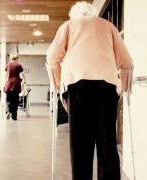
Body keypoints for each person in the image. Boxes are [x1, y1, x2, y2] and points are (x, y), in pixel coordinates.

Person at [46, 1, 134, 180]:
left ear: (75, 15)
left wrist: (57, 84)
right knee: (107, 142)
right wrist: (124, 88)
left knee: (80, 144)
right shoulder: (108, 27)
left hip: (77, 87)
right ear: (94, 13)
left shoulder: (68, 26)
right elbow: (127, 63)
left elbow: (52, 58)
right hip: (106, 87)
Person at [3, 52, 25, 120]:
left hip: (8, 84)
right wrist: (24, 80)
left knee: (8, 100)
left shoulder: (8, 65)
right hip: (16, 84)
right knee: (15, 101)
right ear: (17, 59)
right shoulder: (19, 65)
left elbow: (6, 74)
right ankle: (14, 116)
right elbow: (22, 74)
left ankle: (8, 111)